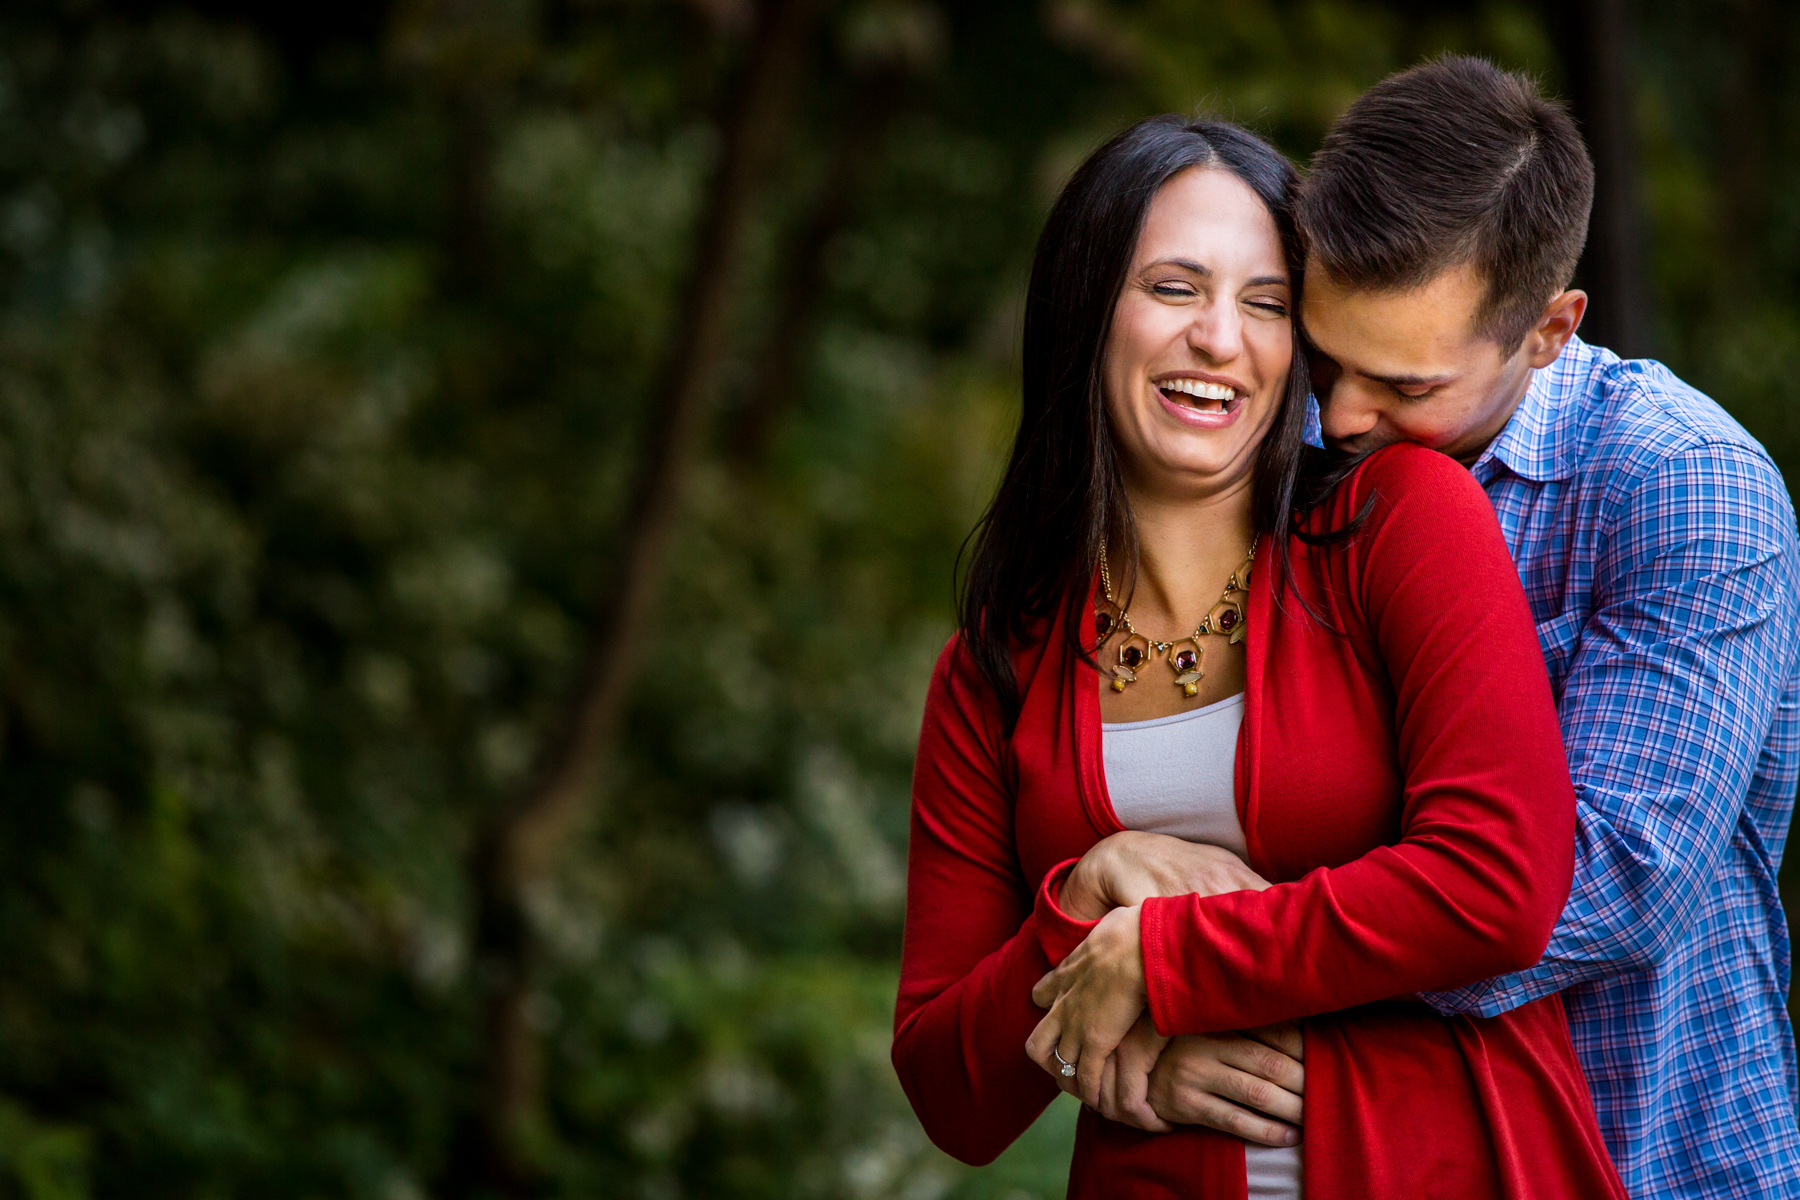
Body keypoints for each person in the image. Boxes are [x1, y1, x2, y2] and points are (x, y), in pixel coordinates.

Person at [891, 113, 1627, 1198]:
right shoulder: (995, 667)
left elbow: (1500, 883)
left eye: (1267, 304)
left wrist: (1167, 962)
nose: (1221, 339)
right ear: (1086, 309)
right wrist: (1085, 900)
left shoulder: (1401, 523)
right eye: (1175, 288)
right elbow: (948, 1090)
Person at [1135, 58, 1800, 1200]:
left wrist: (1201, 945)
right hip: (1366, 1149)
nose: (1341, 416)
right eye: (1328, 357)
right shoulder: (1279, 443)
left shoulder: (1683, 487)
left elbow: (1606, 881)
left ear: (1548, 330)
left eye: (1402, 384)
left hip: (1638, 1145)